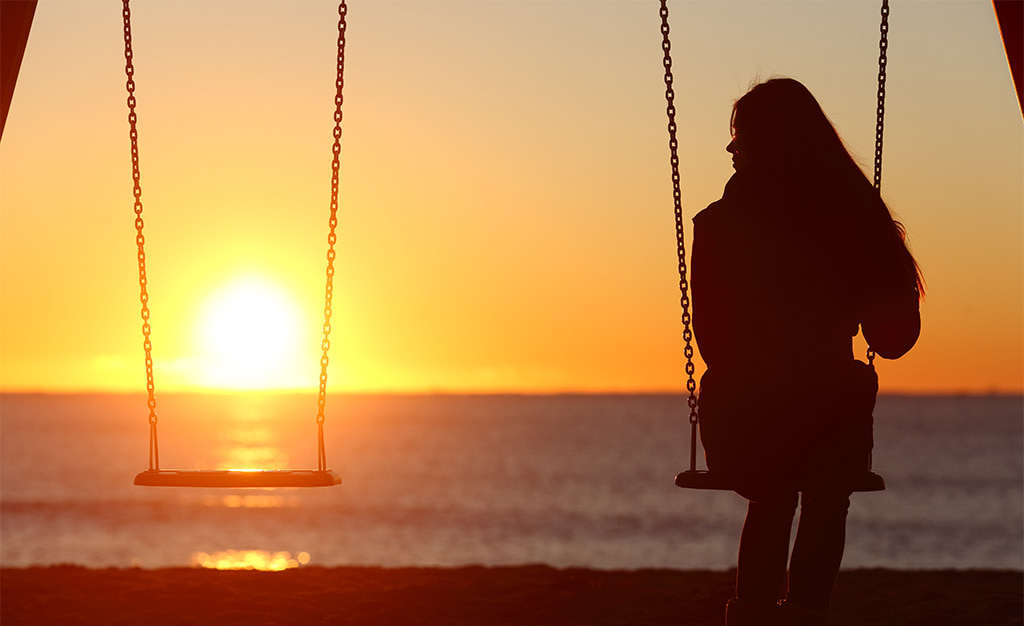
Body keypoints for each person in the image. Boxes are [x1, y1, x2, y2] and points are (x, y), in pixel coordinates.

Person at [690, 78, 923, 626]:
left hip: (742, 420)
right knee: (825, 491)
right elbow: (893, 342)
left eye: (737, 141)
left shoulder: (718, 223)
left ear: (755, 146)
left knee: (771, 494)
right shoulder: (852, 216)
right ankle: (806, 613)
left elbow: (712, 341)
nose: (732, 153)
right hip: (826, 419)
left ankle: (750, 613)